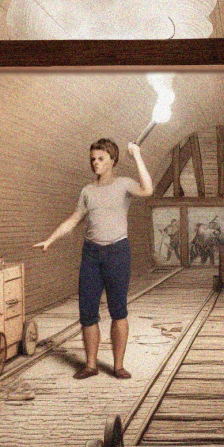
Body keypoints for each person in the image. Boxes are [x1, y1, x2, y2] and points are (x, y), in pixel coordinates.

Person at [34, 139, 153, 380]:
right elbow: (73, 220)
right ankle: (90, 365)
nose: (95, 163)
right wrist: (50, 239)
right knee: (87, 311)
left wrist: (138, 155)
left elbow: (147, 190)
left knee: (118, 310)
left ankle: (118, 366)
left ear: (112, 160)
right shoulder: (87, 191)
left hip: (117, 252)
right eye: (92, 159)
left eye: (100, 158)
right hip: (91, 254)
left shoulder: (124, 184)